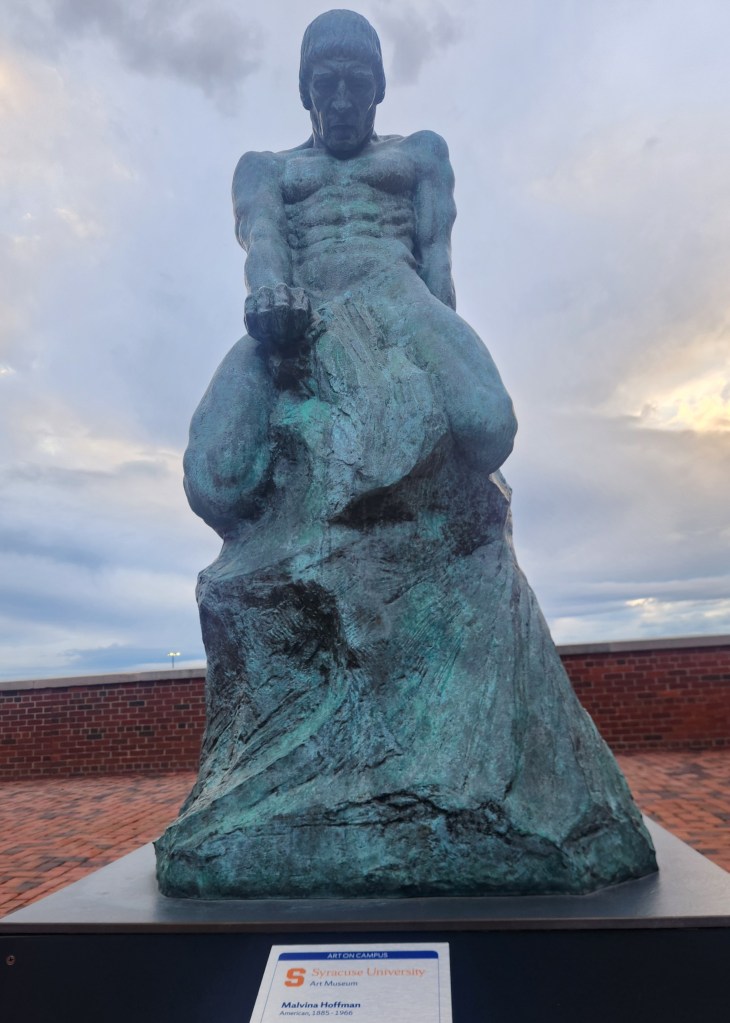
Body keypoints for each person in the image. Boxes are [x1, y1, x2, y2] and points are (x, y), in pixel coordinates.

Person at [156, 11, 656, 899]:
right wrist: (272, 307)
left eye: (357, 79)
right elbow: (263, 243)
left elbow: (439, 265)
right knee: (213, 477)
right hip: (296, 313)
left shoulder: (420, 155)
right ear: (304, 89)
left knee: (488, 421)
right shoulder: (267, 168)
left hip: (397, 294)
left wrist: (428, 363)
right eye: (325, 81)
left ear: (381, 86)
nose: (341, 95)